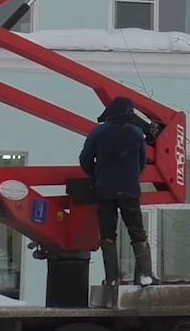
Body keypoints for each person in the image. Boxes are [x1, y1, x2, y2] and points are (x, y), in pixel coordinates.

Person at [79, 96, 154, 286]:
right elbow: (141, 163)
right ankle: (146, 275)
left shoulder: (98, 132)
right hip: (129, 189)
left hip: (104, 190)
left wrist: (98, 173)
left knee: (107, 233)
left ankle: (112, 279)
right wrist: (130, 176)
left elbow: (85, 160)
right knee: (137, 231)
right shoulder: (137, 133)